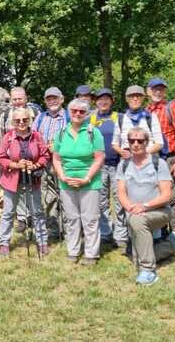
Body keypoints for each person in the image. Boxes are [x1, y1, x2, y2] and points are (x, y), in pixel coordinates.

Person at [116, 127, 175, 285]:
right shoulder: (123, 165)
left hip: (160, 212)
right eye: (132, 141)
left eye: (140, 141)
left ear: (147, 142)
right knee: (137, 256)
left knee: (137, 223)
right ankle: (172, 243)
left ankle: (148, 271)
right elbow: (121, 193)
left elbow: (166, 195)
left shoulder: (159, 163)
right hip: (134, 212)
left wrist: (144, 206)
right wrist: (130, 208)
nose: (136, 144)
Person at [52, 98, 105, 265]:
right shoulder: (60, 133)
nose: (77, 113)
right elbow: (56, 158)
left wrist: (86, 178)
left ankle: (91, 254)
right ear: (69, 112)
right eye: (74, 110)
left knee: (90, 219)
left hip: (89, 182)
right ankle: (73, 251)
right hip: (66, 182)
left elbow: (99, 158)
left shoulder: (93, 132)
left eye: (81, 111)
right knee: (72, 218)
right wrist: (62, 176)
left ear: (87, 114)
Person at [0, 107, 50, 257]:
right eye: (18, 120)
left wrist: (36, 165)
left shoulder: (37, 136)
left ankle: (42, 241)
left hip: (33, 179)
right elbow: (1, 158)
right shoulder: (8, 137)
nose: (21, 122)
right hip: (12, 180)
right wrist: (16, 165)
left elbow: (45, 155)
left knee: (37, 212)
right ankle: (3, 243)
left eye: (25, 119)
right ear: (13, 121)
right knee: (8, 212)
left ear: (30, 120)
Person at [146, 78, 175, 238]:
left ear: (164, 91)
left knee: (173, 197)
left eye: (161, 89)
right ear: (148, 91)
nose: (158, 92)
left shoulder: (172, 107)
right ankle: (160, 232)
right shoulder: (146, 111)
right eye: (154, 89)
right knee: (156, 196)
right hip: (151, 160)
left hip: (169, 158)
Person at [90, 88, 127, 250]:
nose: (103, 102)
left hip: (118, 165)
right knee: (101, 201)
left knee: (120, 200)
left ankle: (121, 235)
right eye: (99, 99)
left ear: (112, 101)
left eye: (106, 99)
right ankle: (105, 232)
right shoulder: (89, 119)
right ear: (95, 101)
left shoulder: (119, 117)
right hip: (98, 166)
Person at [33, 87, 69, 237]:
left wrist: (59, 147)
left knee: (67, 195)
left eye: (55, 98)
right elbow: (34, 137)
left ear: (62, 99)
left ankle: (69, 230)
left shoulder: (69, 116)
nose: (52, 101)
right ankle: (53, 228)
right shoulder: (41, 117)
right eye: (49, 99)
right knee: (49, 195)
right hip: (46, 162)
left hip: (64, 162)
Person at [112, 85, 163, 159]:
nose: (135, 99)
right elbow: (114, 143)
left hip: (148, 161)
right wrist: (122, 152)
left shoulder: (151, 117)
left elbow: (159, 143)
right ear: (127, 99)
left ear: (143, 98)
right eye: (131, 96)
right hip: (127, 162)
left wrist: (142, 154)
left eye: (138, 96)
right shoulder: (121, 118)